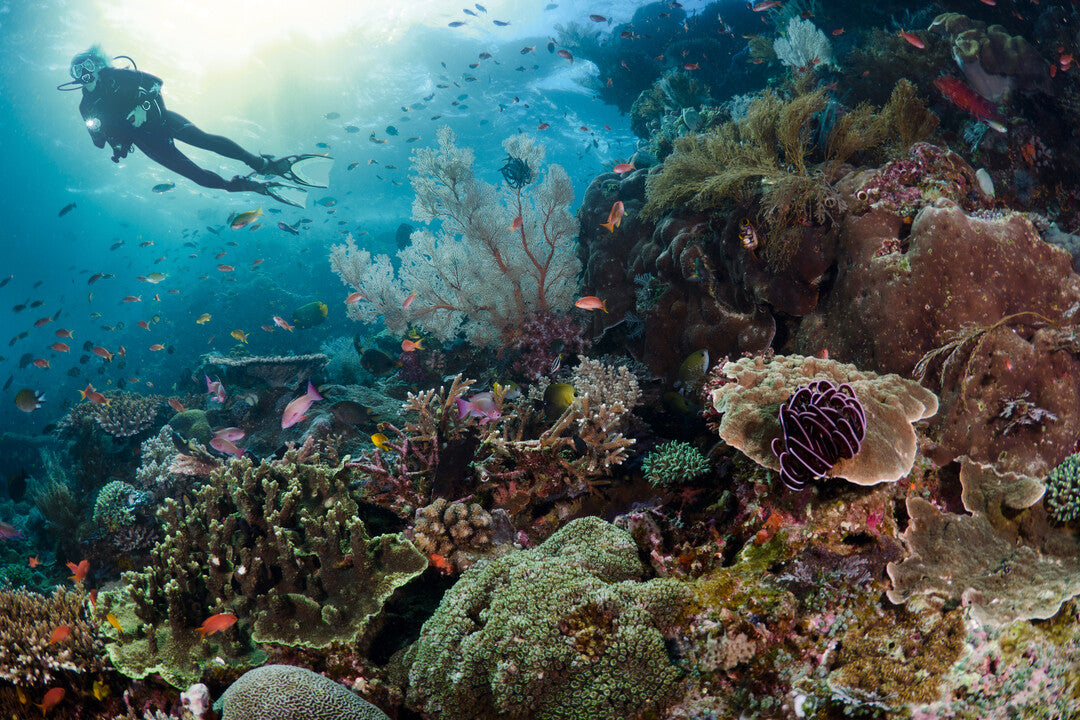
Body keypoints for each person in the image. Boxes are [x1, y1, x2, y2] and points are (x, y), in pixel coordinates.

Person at [60, 46, 330, 207]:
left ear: (96, 65)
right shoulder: (86, 108)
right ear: (73, 78)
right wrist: (103, 133)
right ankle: (242, 185)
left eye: (87, 65)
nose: (83, 73)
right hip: (147, 143)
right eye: (76, 71)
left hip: (163, 120)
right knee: (197, 177)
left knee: (208, 141)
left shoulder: (118, 75)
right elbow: (98, 143)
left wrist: (142, 108)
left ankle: (262, 165)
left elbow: (156, 82)